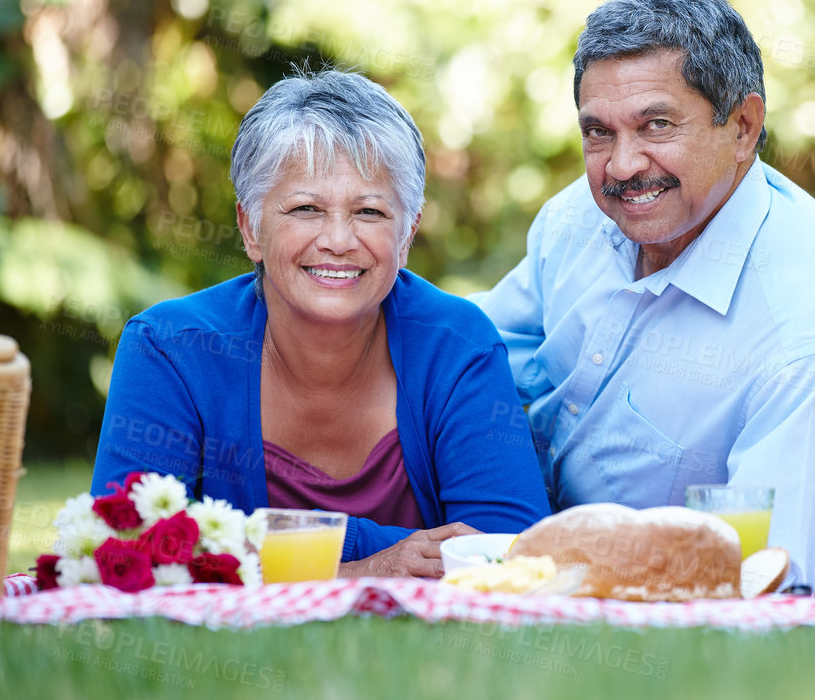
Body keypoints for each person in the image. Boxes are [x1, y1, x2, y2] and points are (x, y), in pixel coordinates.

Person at [473, 0, 815, 589]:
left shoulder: (804, 329)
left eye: (656, 125)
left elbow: (766, 585)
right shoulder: (573, 222)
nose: (622, 165)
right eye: (598, 132)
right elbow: (468, 366)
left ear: (743, 127)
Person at [93, 67, 550, 576]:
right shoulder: (170, 348)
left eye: (370, 212)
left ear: (407, 234)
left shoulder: (457, 344)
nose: (338, 239)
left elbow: (507, 554)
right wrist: (364, 558)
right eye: (306, 208)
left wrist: (254, 541)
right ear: (251, 228)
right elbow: (127, 548)